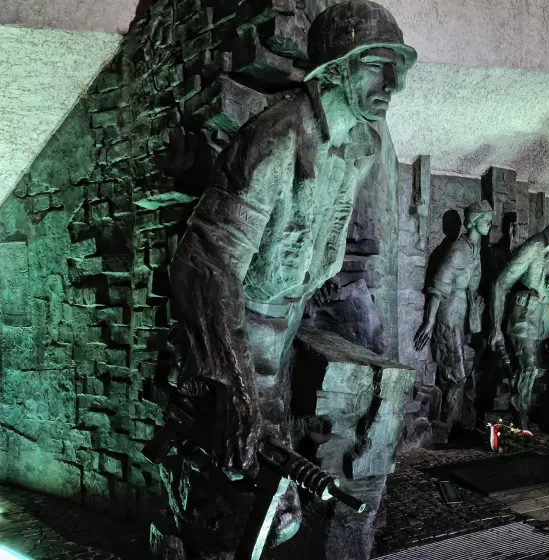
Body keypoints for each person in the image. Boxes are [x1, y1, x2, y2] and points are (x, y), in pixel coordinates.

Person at [162, 1, 415, 556]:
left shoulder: (360, 146)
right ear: (337, 67)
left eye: (399, 67)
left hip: (280, 338)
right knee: (229, 495)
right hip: (233, 344)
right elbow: (205, 262)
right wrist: (232, 386)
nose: (394, 83)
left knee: (276, 506)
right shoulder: (276, 139)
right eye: (378, 64)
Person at [489, 197, 549, 427]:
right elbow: (501, 283)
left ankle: (541, 415)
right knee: (529, 366)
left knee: (546, 368)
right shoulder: (536, 246)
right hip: (524, 316)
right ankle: (520, 419)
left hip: (547, 320)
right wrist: (495, 328)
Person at [414, 200, 495, 430]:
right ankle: (443, 428)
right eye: (485, 219)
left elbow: (472, 283)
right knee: (455, 375)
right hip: (449, 316)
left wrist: (476, 300)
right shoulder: (458, 250)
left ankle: (458, 422)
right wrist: (429, 323)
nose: (489, 223)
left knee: (465, 371)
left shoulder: (475, 248)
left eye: (490, 219)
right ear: (473, 222)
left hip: (465, 316)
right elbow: (438, 286)